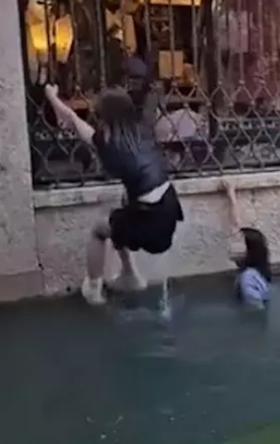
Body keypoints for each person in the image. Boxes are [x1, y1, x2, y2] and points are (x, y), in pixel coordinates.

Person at [44, 84, 184, 305]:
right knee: (120, 211)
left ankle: (93, 290)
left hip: (151, 218)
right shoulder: (142, 131)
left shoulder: (108, 143)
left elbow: (70, 117)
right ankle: (130, 276)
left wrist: (52, 96)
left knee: (100, 230)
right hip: (168, 206)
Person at [221, 179, 271, 310]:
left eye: (237, 241)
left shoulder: (248, 279)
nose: (232, 242)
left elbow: (255, 309)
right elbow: (236, 224)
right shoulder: (257, 268)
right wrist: (231, 195)